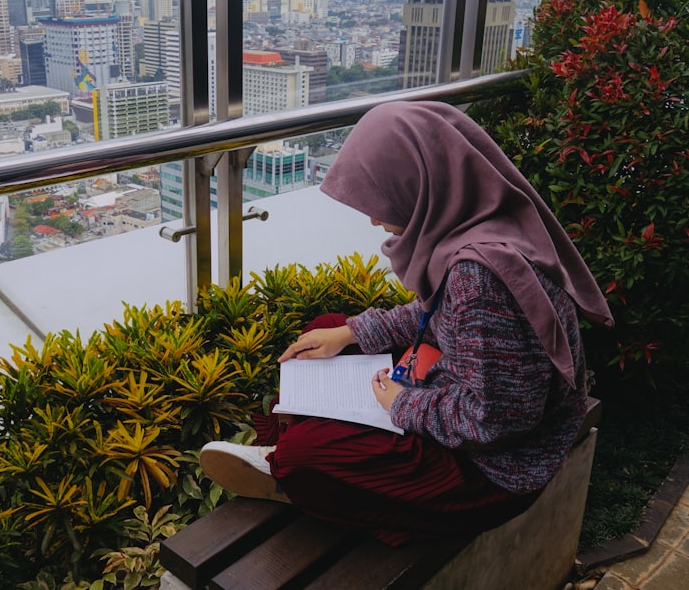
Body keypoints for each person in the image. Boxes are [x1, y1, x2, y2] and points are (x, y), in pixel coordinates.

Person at [199, 101, 613, 546]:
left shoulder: (482, 278)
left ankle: (298, 463)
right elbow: (439, 315)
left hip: (492, 470)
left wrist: (400, 404)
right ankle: (305, 441)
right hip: (457, 386)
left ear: (421, 183)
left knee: (305, 456)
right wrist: (350, 332)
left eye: (382, 200)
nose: (376, 219)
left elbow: (496, 422)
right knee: (327, 327)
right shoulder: (482, 220)